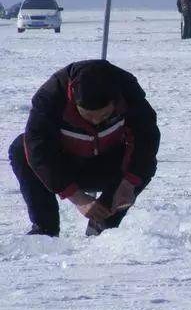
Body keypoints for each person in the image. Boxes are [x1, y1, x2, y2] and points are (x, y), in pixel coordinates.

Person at [8, 60, 160, 237]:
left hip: (108, 164)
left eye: (104, 115)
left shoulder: (128, 90)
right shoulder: (50, 96)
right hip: (66, 164)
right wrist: (77, 197)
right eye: (87, 116)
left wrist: (128, 183)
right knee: (21, 148)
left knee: (144, 162)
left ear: (115, 100)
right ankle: (45, 229)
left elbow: (146, 138)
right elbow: (37, 149)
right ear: (72, 96)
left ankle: (103, 223)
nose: (95, 122)